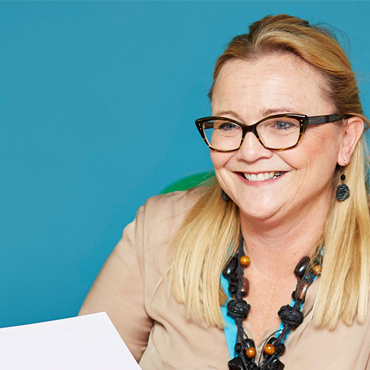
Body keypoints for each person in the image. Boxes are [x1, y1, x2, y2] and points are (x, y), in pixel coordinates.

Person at [79, 14, 370, 370]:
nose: (249, 152)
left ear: (346, 138)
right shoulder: (157, 231)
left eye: (282, 123)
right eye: (229, 125)